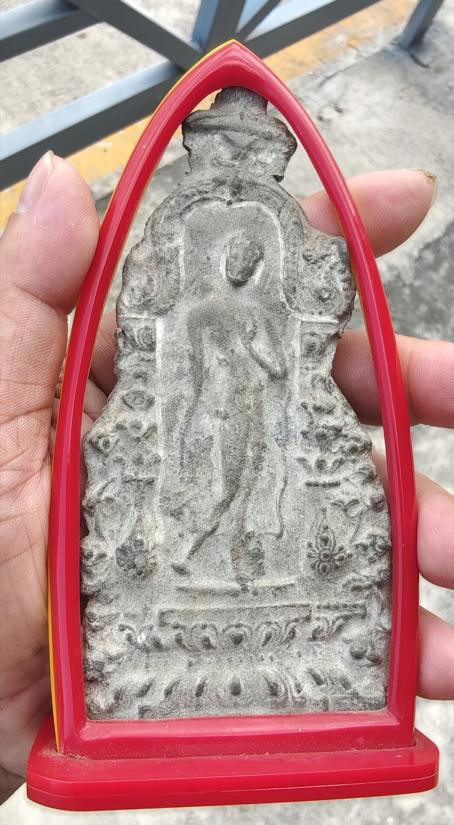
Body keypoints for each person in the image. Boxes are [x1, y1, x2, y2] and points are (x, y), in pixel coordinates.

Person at [0, 153, 452, 800]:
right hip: (214, 414)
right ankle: (190, 550)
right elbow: (189, 378)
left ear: (258, 265)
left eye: (250, 259)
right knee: (223, 488)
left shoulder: (257, 313)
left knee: (253, 490)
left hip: (257, 417)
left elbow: (275, 368)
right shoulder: (204, 313)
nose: (241, 265)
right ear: (221, 262)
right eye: (234, 257)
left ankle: (235, 562)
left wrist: (274, 358)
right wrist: (189, 421)